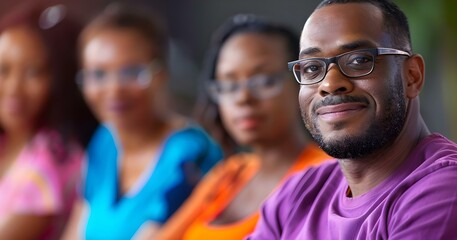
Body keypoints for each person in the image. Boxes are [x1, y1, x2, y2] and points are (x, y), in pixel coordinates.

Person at [248, 0, 457, 239]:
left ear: (412, 76)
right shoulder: (297, 196)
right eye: (311, 68)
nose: (329, 84)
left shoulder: (449, 193)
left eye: (359, 60)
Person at [155, 14, 331, 240]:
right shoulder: (230, 175)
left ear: (302, 81)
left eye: (264, 81)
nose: (243, 98)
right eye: (229, 85)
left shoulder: (325, 176)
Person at [60, 4, 223, 240]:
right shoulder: (106, 139)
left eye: (131, 72)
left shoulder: (191, 154)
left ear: (162, 74)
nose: (114, 89)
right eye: (98, 75)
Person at [0, 2, 98, 240]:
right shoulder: (9, 140)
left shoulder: (53, 159)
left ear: (61, 80)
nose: (14, 88)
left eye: (33, 72)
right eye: (3, 70)